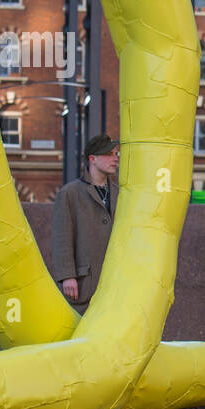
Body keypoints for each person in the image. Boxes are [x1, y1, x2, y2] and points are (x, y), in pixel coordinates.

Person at [51, 134, 120, 315]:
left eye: (116, 154)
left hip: (116, 283)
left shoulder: (120, 193)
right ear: (93, 159)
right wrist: (67, 276)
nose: (115, 158)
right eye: (109, 154)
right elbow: (62, 238)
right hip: (85, 283)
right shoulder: (70, 193)